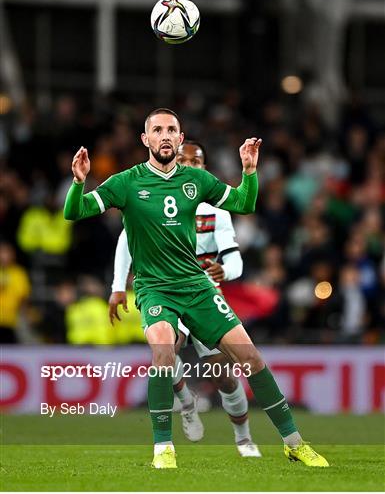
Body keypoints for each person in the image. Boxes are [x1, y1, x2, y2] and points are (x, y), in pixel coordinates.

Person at [64, 107, 328, 469]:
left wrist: (249, 172)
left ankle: (294, 442)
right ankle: (163, 449)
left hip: (197, 286)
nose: (165, 135)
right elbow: (74, 213)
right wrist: (78, 182)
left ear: (180, 137)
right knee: (162, 352)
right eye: (157, 130)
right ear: (146, 140)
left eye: (172, 129)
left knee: (250, 359)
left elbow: (244, 203)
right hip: (155, 288)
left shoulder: (195, 181)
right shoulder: (126, 182)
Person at [109, 140, 261, 457]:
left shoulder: (216, 211)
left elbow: (234, 260)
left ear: (204, 169)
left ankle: (244, 439)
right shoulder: (152, 198)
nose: (190, 165)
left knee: (224, 377)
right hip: (165, 290)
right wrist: (117, 285)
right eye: (184, 160)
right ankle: (185, 400)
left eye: (197, 161)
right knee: (165, 348)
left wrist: (226, 272)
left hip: (203, 295)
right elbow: (126, 240)